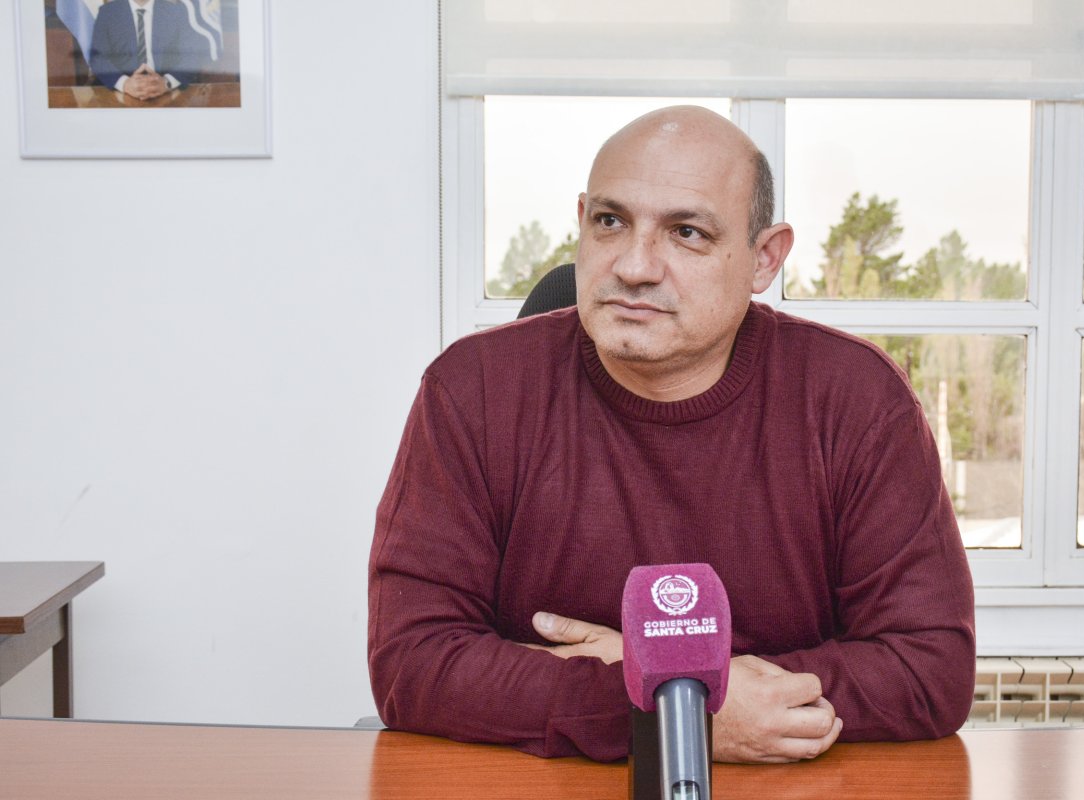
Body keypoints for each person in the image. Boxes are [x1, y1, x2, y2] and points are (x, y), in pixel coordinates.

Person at [368, 105, 976, 763]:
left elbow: (928, 668)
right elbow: (411, 662)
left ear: (764, 259)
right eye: (610, 222)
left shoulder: (857, 399)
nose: (634, 266)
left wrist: (659, 673)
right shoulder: (473, 390)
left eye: (686, 233)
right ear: (581, 223)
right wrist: (671, 710)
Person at [88, 0, 202, 100]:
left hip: (167, 94)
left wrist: (166, 82)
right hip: (121, 95)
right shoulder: (108, 12)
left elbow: (191, 57)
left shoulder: (177, 12)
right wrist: (125, 84)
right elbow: (97, 58)